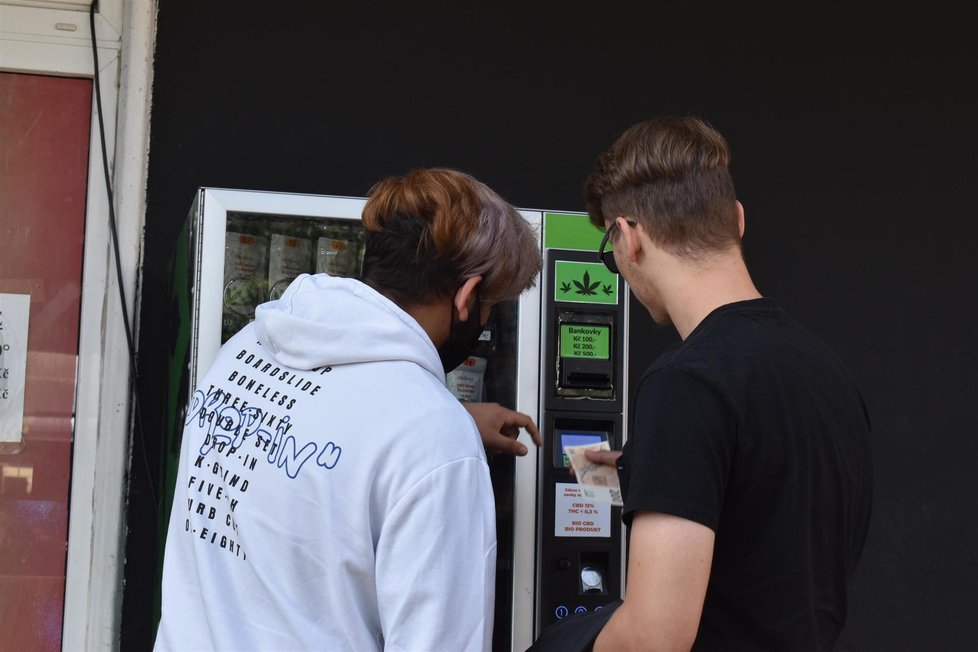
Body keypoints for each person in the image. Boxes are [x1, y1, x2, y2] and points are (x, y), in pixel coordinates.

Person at [154, 167, 542, 651]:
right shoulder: (433, 439)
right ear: (466, 297)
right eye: (490, 307)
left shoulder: (246, 348)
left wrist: (453, 420)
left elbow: (310, 432)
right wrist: (446, 432)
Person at [575, 116, 873, 650]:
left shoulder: (686, 382)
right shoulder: (827, 372)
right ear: (736, 219)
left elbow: (653, 639)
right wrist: (661, 470)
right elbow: (773, 529)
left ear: (628, 238)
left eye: (609, 249)